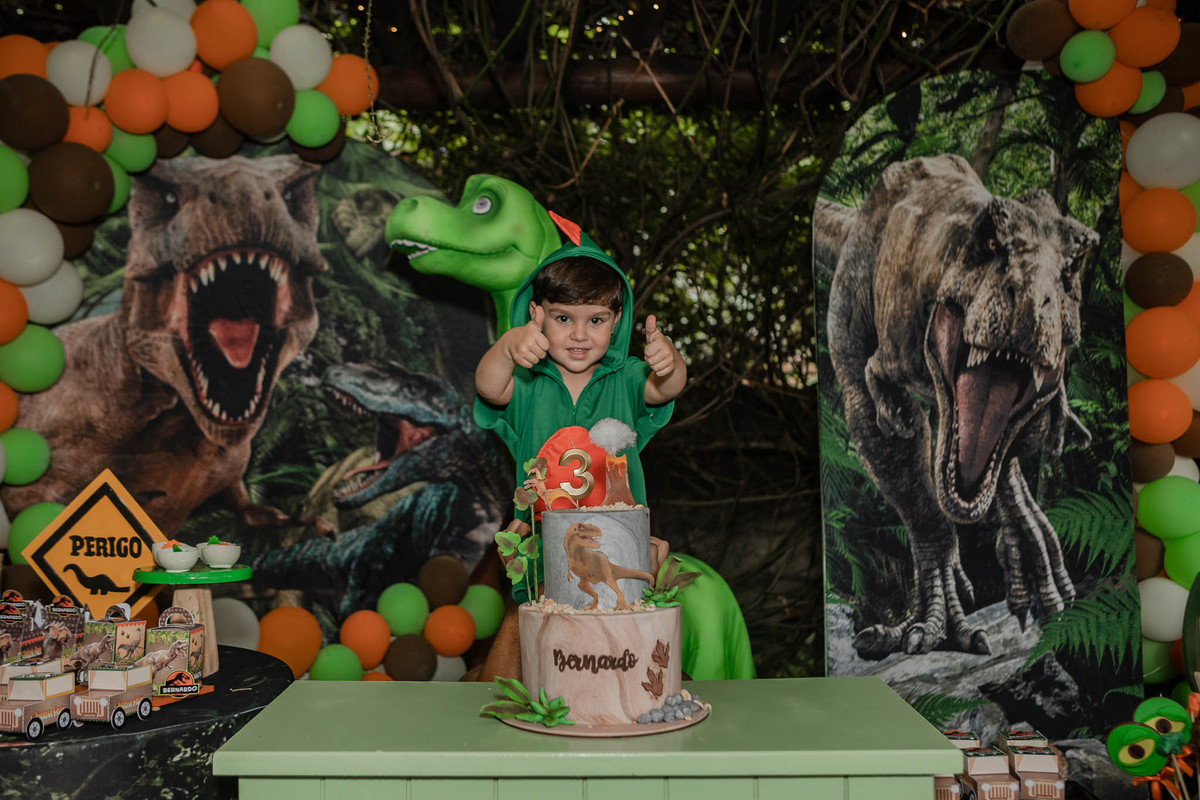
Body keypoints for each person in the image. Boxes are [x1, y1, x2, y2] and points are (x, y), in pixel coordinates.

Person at [474, 224, 686, 519]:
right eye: (563, 318)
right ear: (537, 315)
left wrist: (670, 362)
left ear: (616, 321)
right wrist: (507, 347)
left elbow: (666, 388)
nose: (579, 335)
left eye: (596, 320)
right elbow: (489, 388)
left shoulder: (625, 377)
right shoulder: (527, 381)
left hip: (619, 543)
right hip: (543, 544)